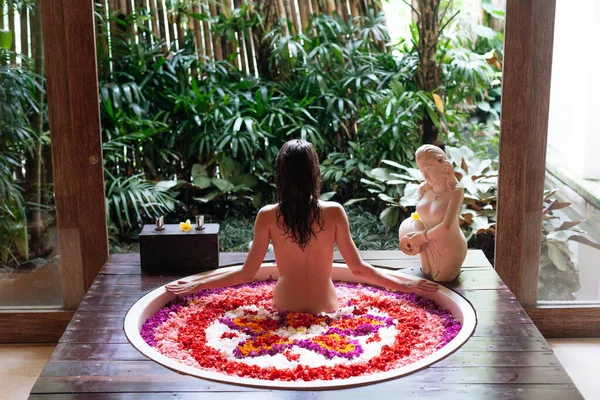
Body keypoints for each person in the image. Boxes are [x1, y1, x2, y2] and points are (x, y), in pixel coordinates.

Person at [166, 140, 438, 313]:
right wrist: (406, 285)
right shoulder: (334, 213)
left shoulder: (267, 216)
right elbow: (359, 269)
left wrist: (198, 285)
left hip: (284, 305)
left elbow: (247, 273)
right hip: (327, 306)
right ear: (314, 174)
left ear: (280, 176)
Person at [398, 145, 467, 282]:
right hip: (425, 248)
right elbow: (420, 217)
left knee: (443, 279)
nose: (425, 175)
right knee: (426, 277)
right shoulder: (424, 188)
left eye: (428, 169)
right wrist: (411, 233)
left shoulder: (455, 191)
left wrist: (421, 237)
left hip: (448, 248)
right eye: (421, 170)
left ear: (444, 167)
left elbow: (447, 227)